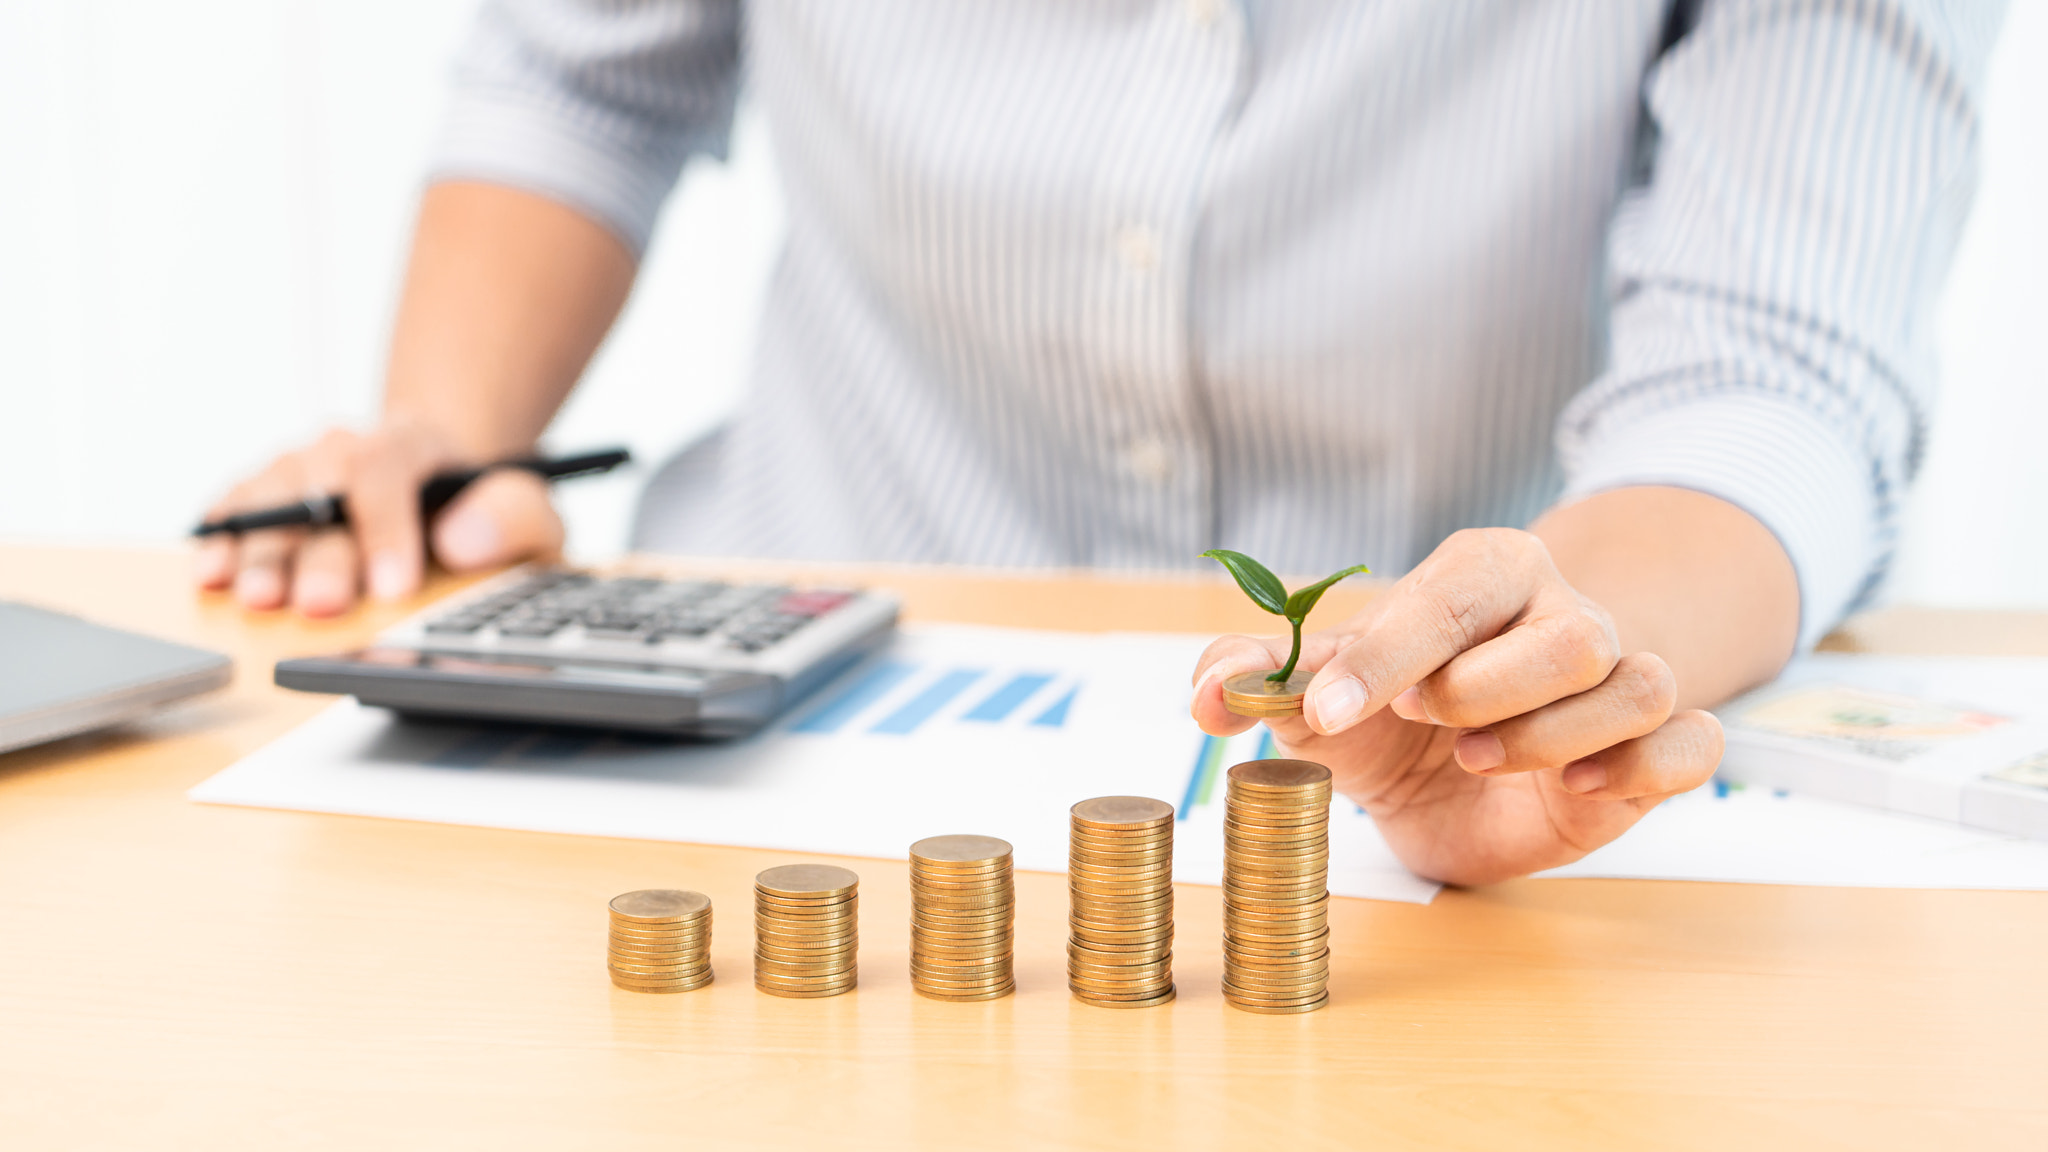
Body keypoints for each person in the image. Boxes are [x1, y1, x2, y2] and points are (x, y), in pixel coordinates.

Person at [193, 1, 2003, 884]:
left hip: (1448, 766)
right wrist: (442, 430)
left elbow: (1773, 369)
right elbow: (581, 68)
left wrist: (1545, 671)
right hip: (793, 664)